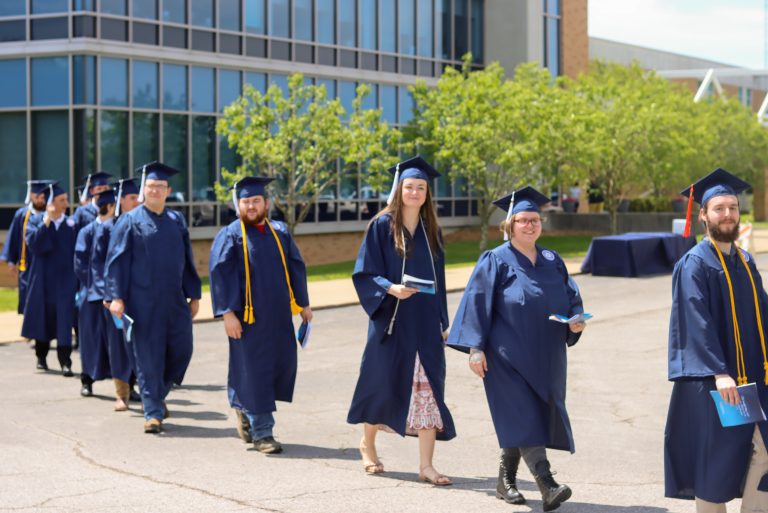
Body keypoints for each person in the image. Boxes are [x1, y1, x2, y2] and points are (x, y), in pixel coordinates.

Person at [447, 186, 586, 512]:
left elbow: (571, 297)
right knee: (522, 415)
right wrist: (475, 349)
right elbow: (476, 304)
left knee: (528, 417)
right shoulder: (495, 259)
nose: (530, 225)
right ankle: (547, 483)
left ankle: (504, 481)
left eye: (535, 220)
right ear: (509, 225)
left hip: (548, 355)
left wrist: (576, 320)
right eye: (522, 220)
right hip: (505, 357)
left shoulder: (552, 259)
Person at [347, 156, 455, 486]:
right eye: (410, 186)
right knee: (380, 383)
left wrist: (443, 321)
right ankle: (367, 444)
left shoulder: (431, 231)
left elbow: (440, 280)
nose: (415, 192)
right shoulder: (382, 226)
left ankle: (426, 465)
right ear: (399, 189)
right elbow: (364, 272)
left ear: (427, 194)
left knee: (428, 391)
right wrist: (391, 288)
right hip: (391, 319)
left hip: (423, 321)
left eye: (421, 188)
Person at [665, 168, 768, 512]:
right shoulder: (694, 264)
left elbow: (762, 314)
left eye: (733, 208)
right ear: (703, 215)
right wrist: (719, 371)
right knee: (716, 461)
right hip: (719, 382)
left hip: (752, 378)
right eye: (719, 208)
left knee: (761, 452)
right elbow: (695, 322)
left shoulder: (745, 260)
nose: (727, 214)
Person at [209, 176, 312, 454]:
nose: (251, 206)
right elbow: (220, 275)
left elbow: (296, 267)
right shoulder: (230, 234)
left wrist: (303, 304)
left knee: (279, 367)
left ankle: (245, 409)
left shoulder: (279, 232)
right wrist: (227, 313)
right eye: (246, 201)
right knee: (255, 371)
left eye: (256, 201)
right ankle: (263, 433)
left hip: (278, 317)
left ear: (266, 203)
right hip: (247, 320)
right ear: (238, 204)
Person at [105, 162, 201, 434]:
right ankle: (153, 413)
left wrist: (193, 294)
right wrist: (116, 297)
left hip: (174, 301)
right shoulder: (130, 221)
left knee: (182, 350)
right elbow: (116, 261)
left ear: (168, 190)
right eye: (150, 186)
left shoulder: (176, 221)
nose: (155, 190)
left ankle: (157, 394)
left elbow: (187, 260)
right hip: (142, 302)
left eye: (160, 186)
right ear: (143, 191)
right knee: (148, 358)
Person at [74, 189, 135, 410]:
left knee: (119, 342)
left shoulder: (119, 228)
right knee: (91, 340)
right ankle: (87, 380)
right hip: (92, 295)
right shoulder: (87, 231)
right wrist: (96, 288)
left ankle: (127, 386)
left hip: (113, 296)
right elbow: (80, 264)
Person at [21, 182, 78, 375]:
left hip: (65, 281)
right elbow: (34, 245)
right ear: (50, 203)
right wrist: (47, 221)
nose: (66, 204)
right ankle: (41, 357)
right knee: (42, 319)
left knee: (64, 322)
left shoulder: (71, 225)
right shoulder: (36, 222)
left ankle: (65, 362)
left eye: (66, 200)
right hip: (43, 280)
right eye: (61, 200)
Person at [1, 180, 53, 314]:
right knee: (28, 294)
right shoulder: (22, 214)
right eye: (37, 197)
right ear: (31, 196)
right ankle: (29, 326)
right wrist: (11, 260)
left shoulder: (50, 214)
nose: (40, 200)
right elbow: (14, 236)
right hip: (27, 262)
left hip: (47, 261)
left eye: (43, 197)